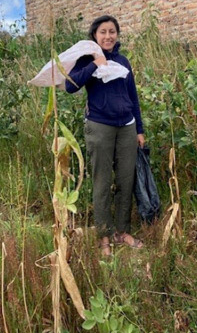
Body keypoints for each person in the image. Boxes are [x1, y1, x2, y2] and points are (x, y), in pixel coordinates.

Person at [66, 15, 144, 256]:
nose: (108, 36)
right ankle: (104, 235)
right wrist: (94, 64)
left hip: (127, 127)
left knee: (125, 180)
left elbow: (133, 96)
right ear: (95, 36)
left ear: (117, 35)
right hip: (100, 127)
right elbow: (70, 86)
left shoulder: (123, 61)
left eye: (112, 31)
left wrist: (139, 129)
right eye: (103, 32)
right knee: (101, 182)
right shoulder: (87, 61)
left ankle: (122, 231)